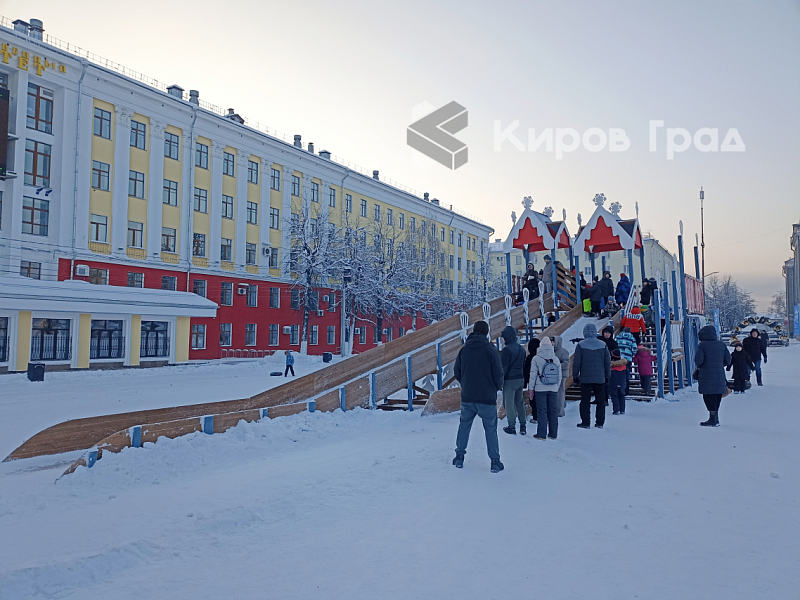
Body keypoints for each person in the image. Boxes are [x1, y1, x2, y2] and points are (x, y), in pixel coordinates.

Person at [453, 320, 505, 473]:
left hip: (468, 396)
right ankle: (495, 462)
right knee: (490, 429)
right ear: (486, 332)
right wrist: (495, 387)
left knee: (464, 426)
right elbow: (498, 373)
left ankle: (459, 457)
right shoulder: (491, 350)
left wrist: (466, 384)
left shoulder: (464, 350)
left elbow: (457, 371)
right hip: (487, 397)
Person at [573, 324, 611, 429]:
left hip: (585, 378)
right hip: (600, 377)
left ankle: (585, 422)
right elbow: (607, 362)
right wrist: (607, 375)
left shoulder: (580, 345)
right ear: (595, 332)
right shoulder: (603, 345)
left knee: (585, 400)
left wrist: (575, 375)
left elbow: (577, 362)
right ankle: (600, 422)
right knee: (600, 401)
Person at [694, 325, 732, 427]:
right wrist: (719, 365)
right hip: (719, 374)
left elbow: (698, 360)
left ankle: (712, 419)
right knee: (717, 395)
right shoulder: (721, 344)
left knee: (708, 396)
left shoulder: (702, 345)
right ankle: (715, 419)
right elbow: (728, 360)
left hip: (706, 375)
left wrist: (704, 366)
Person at [530, 337, 562, 440]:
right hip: (553, 388)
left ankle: (541, 434)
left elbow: (533, 375)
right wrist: (556, 386)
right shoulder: (555, 358)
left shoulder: (536, 358)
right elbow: (559, 376)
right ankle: (553, 434)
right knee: (553, 411)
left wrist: (531, 389)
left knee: (542, 411)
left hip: (540, 389)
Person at [500, 326, 527, 435]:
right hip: (520, 378)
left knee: (509, 404)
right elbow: (523, 365)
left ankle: (511, 426)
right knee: (519, 403)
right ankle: (523, 425)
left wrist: (500, 381)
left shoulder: (506, 350)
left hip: (510, 380)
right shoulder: (521, 348)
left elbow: (504, 368)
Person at [551, 335, 571, 417]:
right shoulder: (551, 351)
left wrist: (556, 365)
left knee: (560, 393)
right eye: (551, 342)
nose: (552, 343)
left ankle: (560, 411)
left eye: (553, 342)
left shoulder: (563, 352)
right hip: (553, 375)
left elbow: (566, 364)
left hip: (561, 375)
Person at [523, 337, 541, 423]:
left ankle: (536, 417)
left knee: (533, 400)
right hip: (542, 383)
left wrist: (525, 383)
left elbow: (526, 371)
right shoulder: (542, 357)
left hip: (532, 383)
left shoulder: (530, 358)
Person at [616, 327, 637, 395]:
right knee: (627, 375)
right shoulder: (631, 338)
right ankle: (626, 390)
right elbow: (634, 348)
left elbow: (615, 346)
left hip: (619, 358)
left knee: (618, 374)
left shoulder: (618, 337)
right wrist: (632, 355)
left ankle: (619, 389)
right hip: (627, 359)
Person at [609, 348, 627, 415]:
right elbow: (627, 375)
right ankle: (622, 410)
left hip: (613, 383)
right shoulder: (624, 365)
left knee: (614, 396)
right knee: (621, 395)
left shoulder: (611, 366)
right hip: (622, 383)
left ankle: (616, 410)